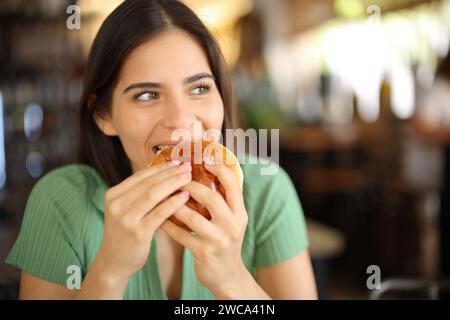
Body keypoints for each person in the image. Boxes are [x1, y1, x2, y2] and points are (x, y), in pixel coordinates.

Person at [5, 0, 317, 300]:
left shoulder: (268, 191)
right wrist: (110, 271)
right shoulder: (61, 202)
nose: (181, 120)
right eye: (147, 95)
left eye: (199, 88)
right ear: (104, 115)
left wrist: (232, 278)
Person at [413, 51, 450, 282]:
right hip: (432, 175)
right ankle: (435, 281)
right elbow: (420, 125)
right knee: (436, 232)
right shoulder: (439, 89)